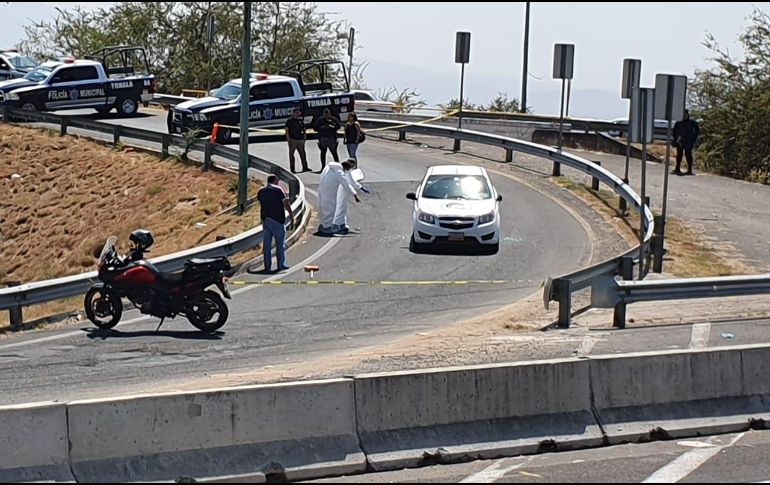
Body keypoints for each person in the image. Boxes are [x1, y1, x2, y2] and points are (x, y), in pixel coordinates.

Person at [257, 175, 294, 272]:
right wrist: (291, 215)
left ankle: (267, 267)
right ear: (275, 181)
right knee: (280, 244)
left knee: (267, 245)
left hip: (266, 220)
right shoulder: (279, 190)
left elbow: (261, 203)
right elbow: (286, 203)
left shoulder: (261, 191)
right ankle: (280, 265)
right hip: (278, 219)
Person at [317, 160, 359, 234]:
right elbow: (347, 185)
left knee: (322, 207)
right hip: (329, 192)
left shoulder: (328, 167)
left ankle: (323, 225)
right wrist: (355, 195)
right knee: (330, 209)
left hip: (321, 190)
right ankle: (327, 228)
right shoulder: (339, 173)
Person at [333, 159, 367, 234]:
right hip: (342, 191)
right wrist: (358, 191)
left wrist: (360, 187)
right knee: (340, 207)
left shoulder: (342, 170)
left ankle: (341, 224)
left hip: (341, 190)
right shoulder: (344, 172)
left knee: (341, 208)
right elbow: (350, 183)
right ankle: (336, 224)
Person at [672, 109, 700, 175]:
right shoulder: (678, 122)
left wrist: (693, 140)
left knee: (688, 155)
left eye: (685, 114)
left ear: (688, 115)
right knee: (679, 155)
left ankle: (689, 170)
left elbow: (697, 132)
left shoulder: (692, 123)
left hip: (688, 142)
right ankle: (677, 168)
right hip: (680, 141)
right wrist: (676, 139)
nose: (684, 116)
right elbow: (674, 131)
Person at [285, 108, 309, 173]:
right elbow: (286, 130)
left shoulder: (300, 121)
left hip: (300, 140)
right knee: (292, 155)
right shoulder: (289, 121)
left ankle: (305, 167)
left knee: (303, 154)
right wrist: (288, 139)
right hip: (293, 140)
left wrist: (304, 137)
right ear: (293, 113)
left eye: (298, 113)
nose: (297, 114)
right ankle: (292, 169)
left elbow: (304, 129)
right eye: (296, 113)